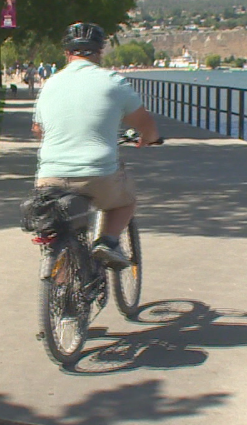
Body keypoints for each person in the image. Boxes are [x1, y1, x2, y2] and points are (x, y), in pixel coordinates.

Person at [31, 22, 159, 269]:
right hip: (97, 174)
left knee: (59, 234)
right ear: (100, 52)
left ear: (67, 52)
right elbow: (145, 124)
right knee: (126, 199)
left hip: (50, 177)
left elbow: (38, 130)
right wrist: (150, 137)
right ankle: (108, 242)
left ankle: (61, 294)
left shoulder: (50, 85)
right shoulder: (112, 82)